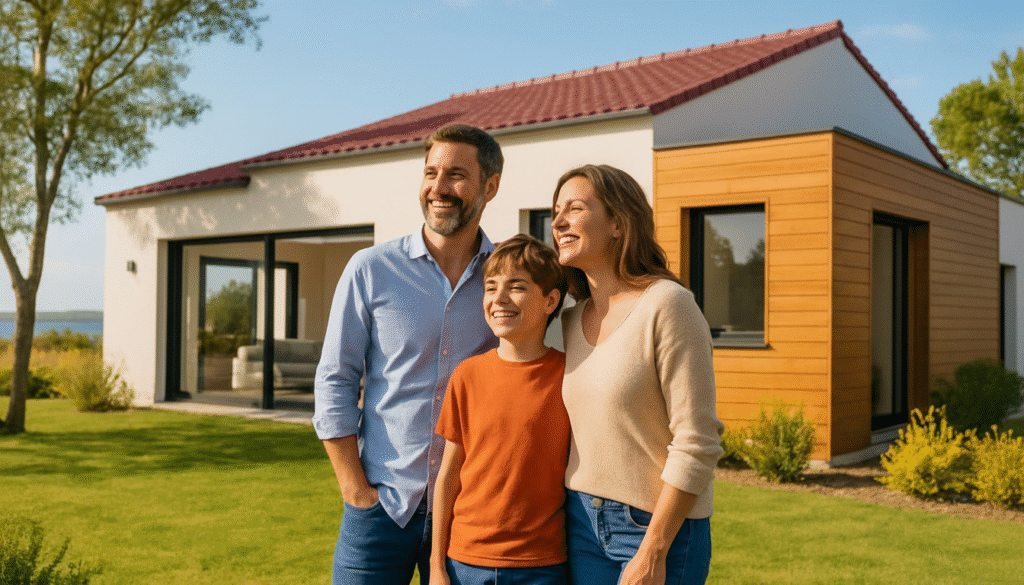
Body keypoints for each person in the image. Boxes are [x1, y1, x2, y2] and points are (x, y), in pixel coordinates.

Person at [313, 124, 504, 585]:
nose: (438, 188)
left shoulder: (506, 279)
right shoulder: (371, 269)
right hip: (380, 510)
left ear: (490, 186)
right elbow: (336, 379)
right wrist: (356, 491)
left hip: (469, 510)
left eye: (456, 175)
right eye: (430, 173)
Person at [551, 164, 724, 585]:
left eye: (575, 208)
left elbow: (698, 440)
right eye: (556, 212)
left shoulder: (668, 305)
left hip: (652, 529)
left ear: (618, 222)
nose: (558, 222)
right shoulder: (567, 321)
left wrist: (653, 549)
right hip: (579, 522)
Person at [430, 234, 571, 585]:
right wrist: (435, 566)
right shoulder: (466, 375)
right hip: (466, 562)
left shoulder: (570, 377)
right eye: (491, 287)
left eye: (517, 287)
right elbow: (447, 476)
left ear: (551, 300)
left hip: (541, 565)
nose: (499, 298)